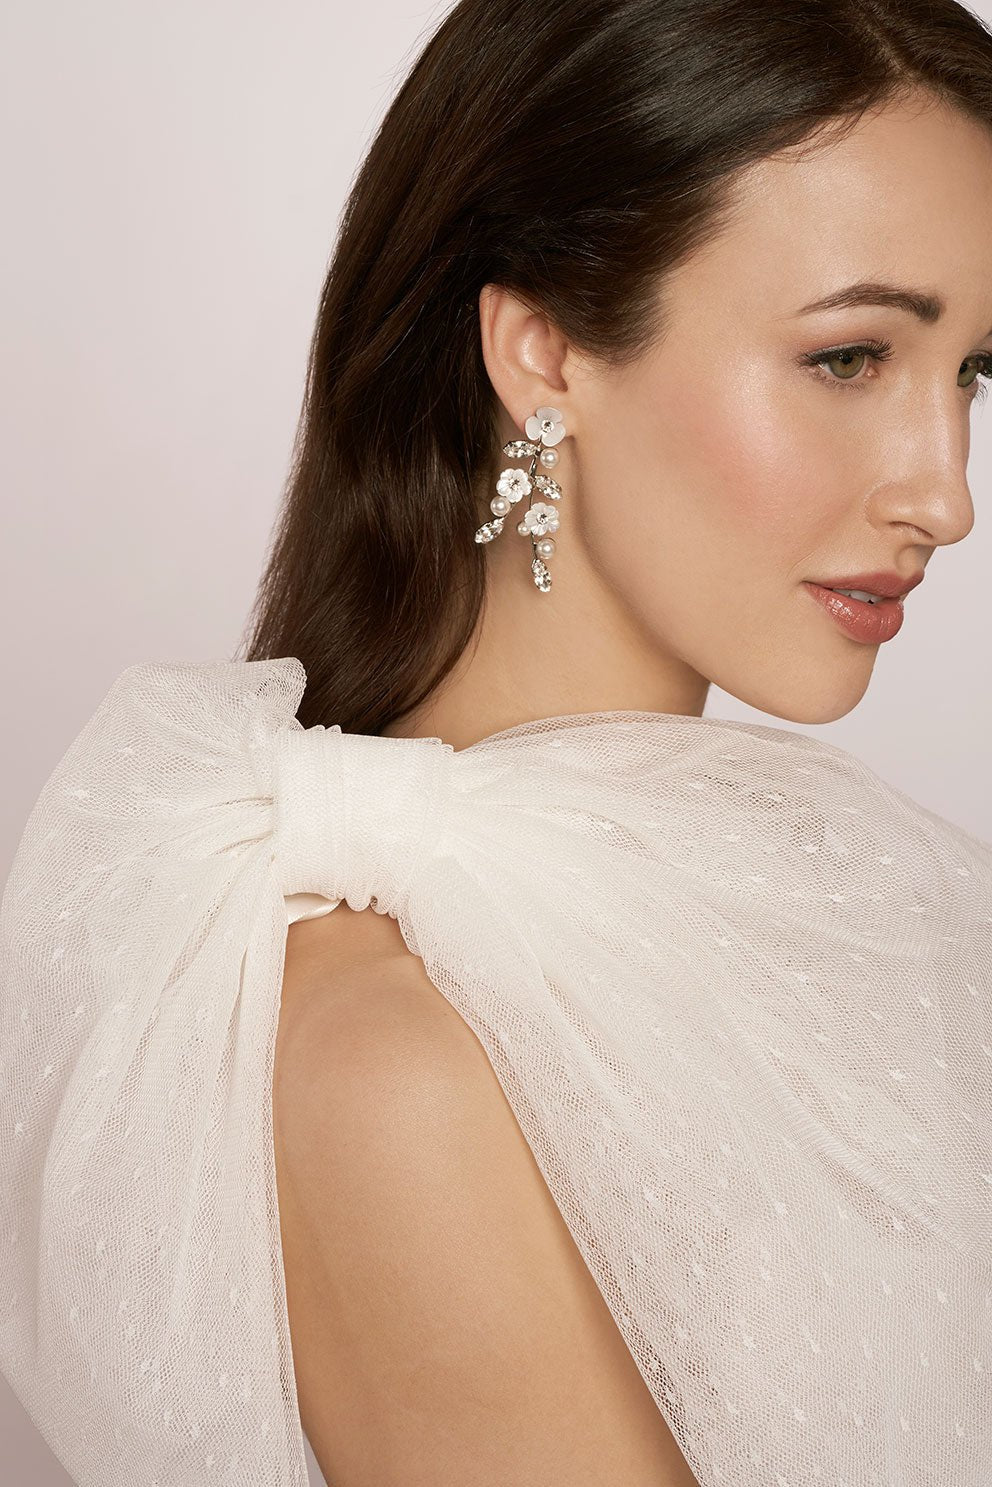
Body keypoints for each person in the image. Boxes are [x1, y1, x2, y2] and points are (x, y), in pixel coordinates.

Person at [2, 2, 992, 1484]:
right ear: (544, 349)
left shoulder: (817, 927)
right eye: (850, 358)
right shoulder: (396, 1063)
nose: (945, 495)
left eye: (974, 372)